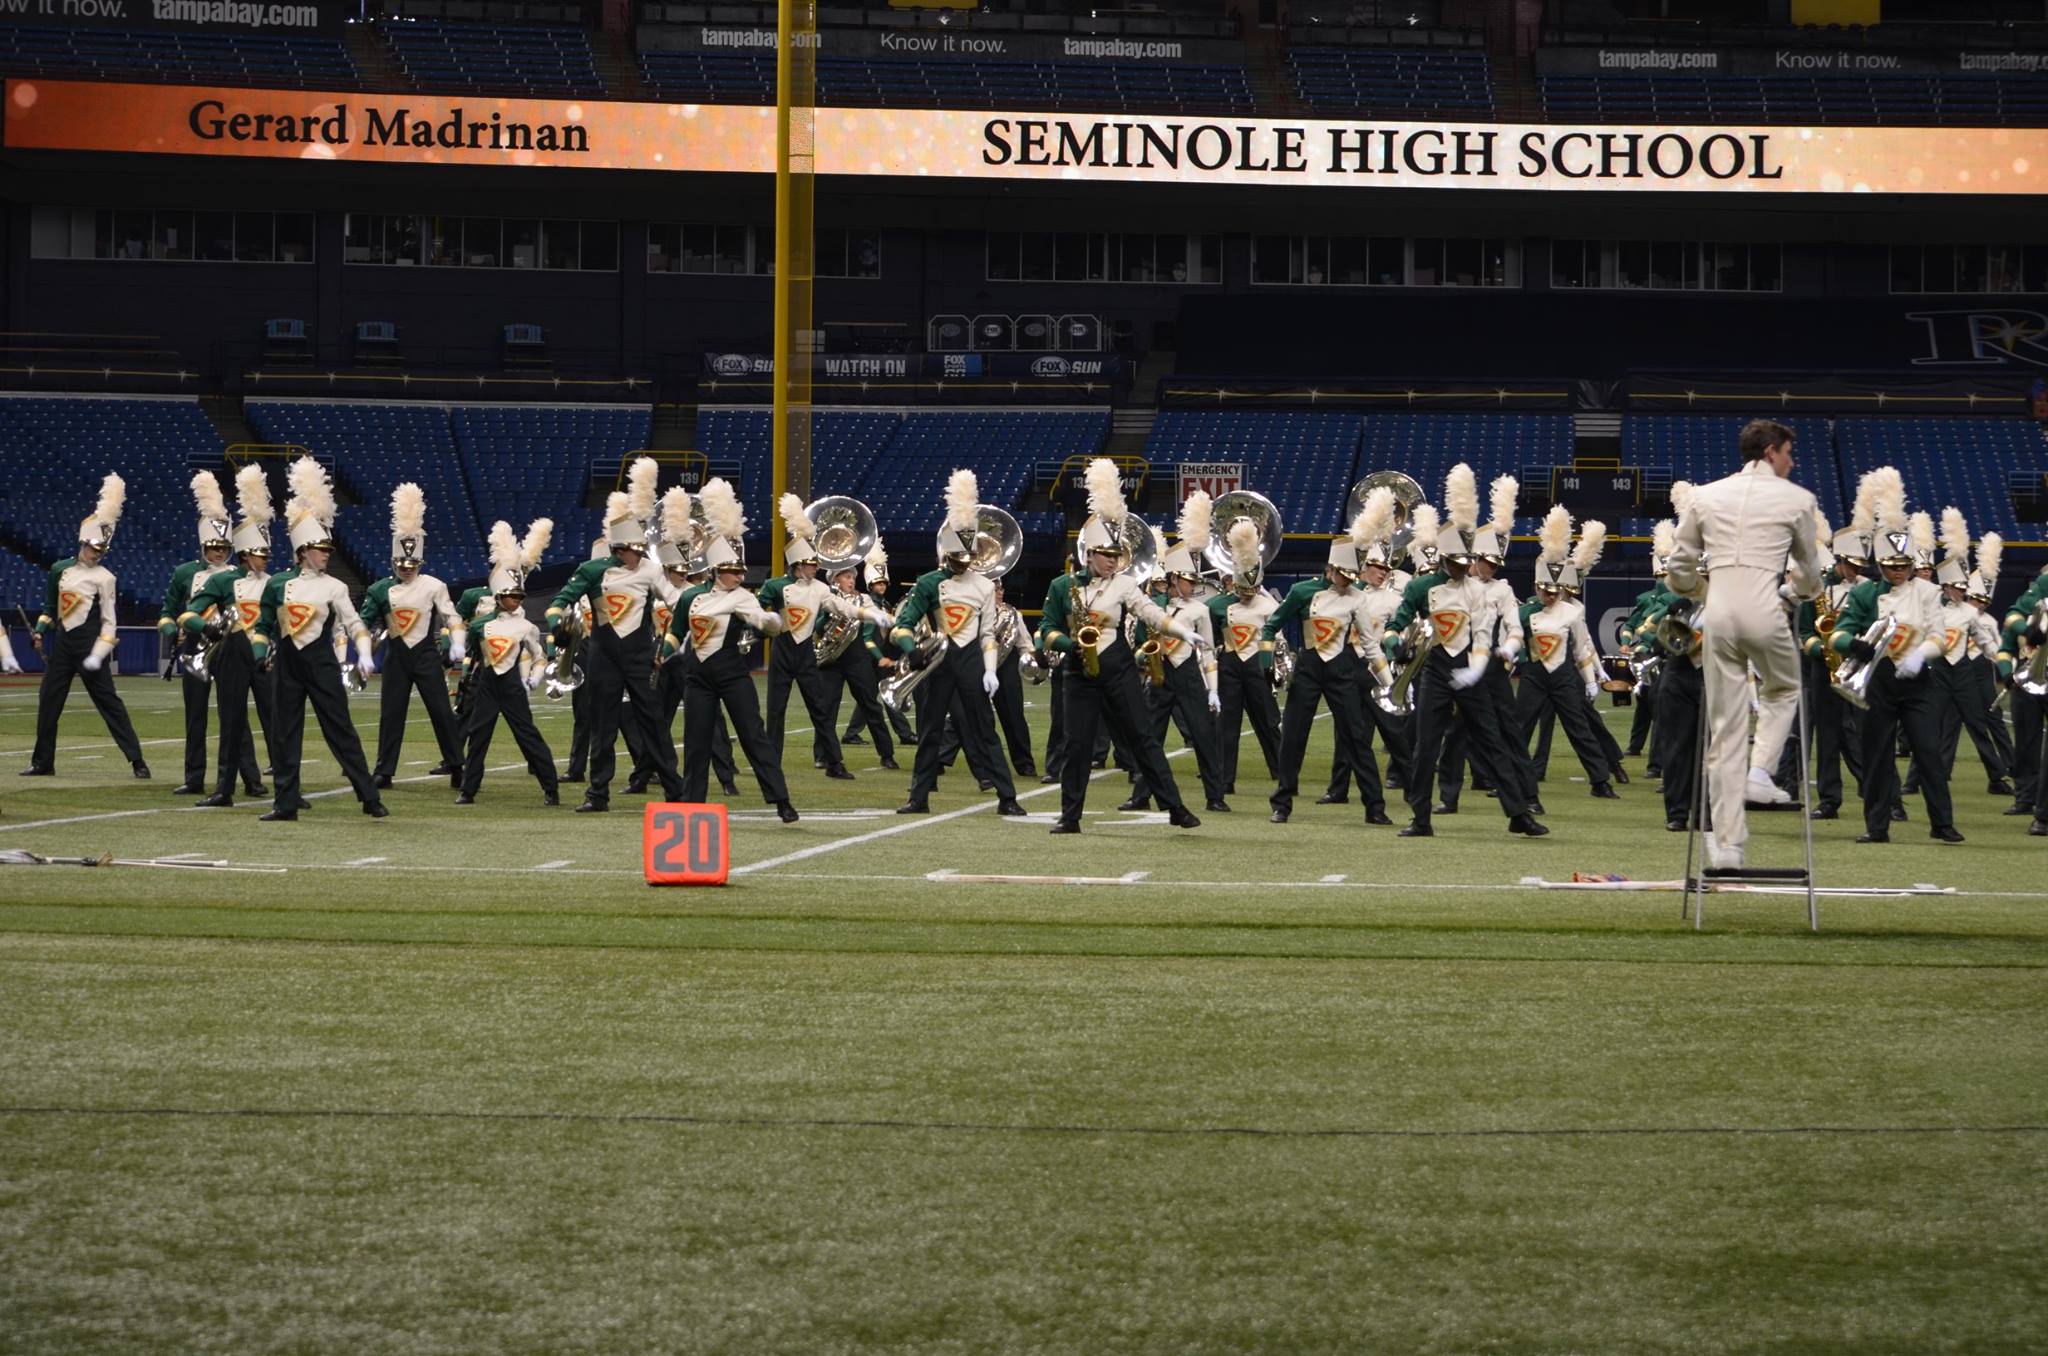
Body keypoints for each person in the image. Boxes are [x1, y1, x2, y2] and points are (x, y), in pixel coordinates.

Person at [1663, 419, 1821, 868]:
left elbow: (1678, 566)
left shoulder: (1705, 495)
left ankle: (1729, 845)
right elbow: (1809, 571)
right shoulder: (1798, 499)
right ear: (1771, 451)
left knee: (1725, 730)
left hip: (1718, 612)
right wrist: (1796, 593)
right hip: (1764, 605)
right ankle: (1761, 771)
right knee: (1784, 689)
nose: (1792, 462)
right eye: (1788, 453)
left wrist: (1702, 592)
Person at [1035, 458, 1207, 833]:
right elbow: (1044, 629)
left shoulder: (1125, 584)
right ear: (1089, 554)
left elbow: (1148, 611)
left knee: (1143, 738)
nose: (1114, 562)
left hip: (1117, 667)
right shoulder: (1063, 586)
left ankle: (1175, 807)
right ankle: (1070, 817)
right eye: (1107, 556)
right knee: (1077, 745)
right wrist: (1068, 644)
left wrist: (1181, 631)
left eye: (1117, 556)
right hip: (1079, 670)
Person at [1385, 466, 1546, 838]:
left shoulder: (1476, 590)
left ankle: (1518, 814)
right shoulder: (1421, 587)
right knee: (1426, 746)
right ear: (1444, 558)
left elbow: (1483, 632)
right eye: (1455, 563)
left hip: (1471, 669)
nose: (1461, 569)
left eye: (1465, 563)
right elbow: (1397, 623)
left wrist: (1476, 668)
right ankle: (1420, 818)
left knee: (1492, 741)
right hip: (1435, 671)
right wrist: (1395, 643)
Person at [545, 458, 683, 813]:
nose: (638, 556)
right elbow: (559, 602)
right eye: (633, 550)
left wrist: (695, 603)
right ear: (619, 549)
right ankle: (598, 794)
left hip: (639, 655)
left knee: (653, 721)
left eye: (640, 550)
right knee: (602, 726)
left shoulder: (650, 570)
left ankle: (674, 788)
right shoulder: (592, 570)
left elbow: (674, 600)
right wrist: (558, 624)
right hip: (603, 656)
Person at [254, 457, 386, 821]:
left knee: (340, 730)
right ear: (302, 552)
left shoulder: (336, 586)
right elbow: (264, 625)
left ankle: (369, 798)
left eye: (328, 549)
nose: (327, 554)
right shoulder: (277, 585)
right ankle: (285, 803)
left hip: (322, 663)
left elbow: (354, 623)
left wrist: (364, 654)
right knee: (284, 734)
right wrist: (259, 651)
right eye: (320, 549)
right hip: (287, 666)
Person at [1829, 481, 1960, 845]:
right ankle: (1877, 826)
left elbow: (1939, 636)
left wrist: (1920, 655)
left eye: (1904, 565)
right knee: (1876, 755)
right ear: (1880, 565)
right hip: (1878, 680)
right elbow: (1838, 634)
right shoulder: (1865, 593)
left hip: (1918, 681)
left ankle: (1942, 823)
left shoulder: (1929, 592)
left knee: (1928, 752)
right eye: (1891, 566)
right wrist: (1854, 645)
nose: (1899, 572)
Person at [894, 470, 1026, 817]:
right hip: (938, 663)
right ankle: (918, 797)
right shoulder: (928, 583)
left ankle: (1007, 797)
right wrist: (912, 651)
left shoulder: (984, 586)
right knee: (930, 732)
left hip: (970, 662)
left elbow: (987, 634)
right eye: (957, 558)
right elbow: (902, 625)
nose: (961, 564)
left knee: (985, 730)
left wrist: (990, 670)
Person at [1264, 494, 1396, 825]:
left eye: (1351, 576)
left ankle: (1375, 807)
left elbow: (1370, 645)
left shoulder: (1357, 598)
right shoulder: (1302, 592)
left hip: (1341, 670)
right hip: (1308, 669)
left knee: (1357, 738)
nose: (1347, 581)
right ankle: (1282, 803)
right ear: (1330, 569)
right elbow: (1271, 626)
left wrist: (1389, 684)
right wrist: (1269, 665)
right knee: (1293, 737)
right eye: (1342, 574)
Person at [668, 489, 799, 821]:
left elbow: (760, 620)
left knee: (753, 735)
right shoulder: (690, 597)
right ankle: (692, 802)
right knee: (696, 742)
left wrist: (771, 622)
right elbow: (676, 631)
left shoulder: (743, 597)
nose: (740, 577)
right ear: (716, 570)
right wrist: (662, 654)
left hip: (731, 674)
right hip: (697, 677)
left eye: (741, 571)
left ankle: (781, 799)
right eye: (733, 571)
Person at [21, 472, 149, 780]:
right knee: (48, 702)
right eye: (93, 548)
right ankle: (43, 762)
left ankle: (137, 760)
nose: (96, 554)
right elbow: (50, 609)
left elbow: (109, 619)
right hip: (63, 645)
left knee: (109, 704)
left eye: (101, 550)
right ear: (82, 543)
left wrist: (99, 651)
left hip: (90, 645)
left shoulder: (106, 578)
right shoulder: (59, 570)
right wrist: (40, 630)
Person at [631, 490, 739, 798]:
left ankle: (726, 777)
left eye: (682, 570)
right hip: (663, 660)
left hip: (692, 661)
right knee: (656, 719)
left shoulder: (696, 593)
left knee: (711, 721)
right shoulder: (656, 592)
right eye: (673, 570)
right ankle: (642, 776)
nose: (679, 574)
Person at [182, 465, 277, 807]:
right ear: (246, 554)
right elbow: (189, 613)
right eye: (259, 554)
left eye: (267, 554)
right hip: (232, 656)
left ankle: (287, 787)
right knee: (231, 722)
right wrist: (207, 628)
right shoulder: (223, 581)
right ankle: (224, 788)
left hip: (267, 658)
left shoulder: (277, 583)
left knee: (276, 722)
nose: (264, 560)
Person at [361, 483, 466, 790]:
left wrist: (458, 642)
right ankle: (384, 770)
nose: (407, 570)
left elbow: (451, 616)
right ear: (393, 561)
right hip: (396, 657)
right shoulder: (379, 589)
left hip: (426, 655)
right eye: (402, 564)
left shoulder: (434, 585)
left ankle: (457, 765)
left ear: (420, 562)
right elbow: (362, 622)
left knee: (441, 711)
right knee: (391, 714)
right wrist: (364, 651)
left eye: (412, 565)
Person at [1127, 499, 1228, 814]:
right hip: (1160, 675)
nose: (1193, 585)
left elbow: (1208, 650)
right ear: (1173, 579)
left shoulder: (1200, 610)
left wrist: (1212, 689)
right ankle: (1141, 795)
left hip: (1188, 674)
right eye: (1187, 580)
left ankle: (1215, 796)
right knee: (1149, 737)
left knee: (1203, 735)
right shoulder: (1154, 605)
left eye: (1194, 580)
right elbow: (1140, 640)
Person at [1516, 508, 1619, 801]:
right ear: (1537, 587)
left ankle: (1601, 781)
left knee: (1579, 729)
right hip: (1533, 676)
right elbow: (1513, 639)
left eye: (1555, 591)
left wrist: (1590, 680)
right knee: (1520, 729)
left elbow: (1581, 648)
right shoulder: (1524, 611)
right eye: (1546, 591)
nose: (1551, 596)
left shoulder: (1572, 613)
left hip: (1562, 676)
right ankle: (1509, 779)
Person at [457, 525, 558, 807]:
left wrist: (536, 677)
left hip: (512, 686)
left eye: (520, 597)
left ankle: (551, 788)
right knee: (478, 737)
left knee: (528, 736)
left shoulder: (527, 627)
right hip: (486, 684)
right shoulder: (479, 626)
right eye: (512, 596)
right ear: (499, 597)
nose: (517, 600)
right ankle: (468, 790)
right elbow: (473, 654)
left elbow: (539, 656)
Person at [761, 494, 856, 780]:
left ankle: (834, 762)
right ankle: (771, 763)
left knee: (820, 709)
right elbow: (758, 611)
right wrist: (767, 622)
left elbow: (839, 606)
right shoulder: (774, 586)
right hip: (782, 651)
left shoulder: (819, 588)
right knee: (775, 712)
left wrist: (866, 614)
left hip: (805, 654)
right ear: (797, 565)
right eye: (811, 564)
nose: (815, 569)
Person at [160, 471, 239, 795]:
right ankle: (194, 778)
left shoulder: (238, 575)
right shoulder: (184, 572)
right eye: (214, 546)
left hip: (229, 647)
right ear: (204, 544)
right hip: (195, 647)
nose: (219, 552)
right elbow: (167, 611)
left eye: (224, 547)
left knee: (233, 716)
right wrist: (171, 630)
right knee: (195, 716)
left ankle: (245, 777)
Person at [1207, 524, 1283, 797]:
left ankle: (1282, 772)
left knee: (1268, 721)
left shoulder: (1270, 606)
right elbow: (1211, 638)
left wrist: (1274, 669)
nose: (1248, 593)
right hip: (1229, 665)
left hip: (1258, 665)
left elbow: (1278, 639)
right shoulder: (1216, 605)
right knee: (1226, 725)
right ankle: (1224, 778)